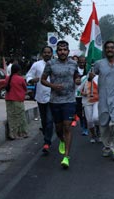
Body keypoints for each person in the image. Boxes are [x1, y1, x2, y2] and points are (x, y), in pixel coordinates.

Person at [41, 40, 81, 169]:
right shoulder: (50, 64)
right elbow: (42, 80)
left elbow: (76, 75)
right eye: (60, 50)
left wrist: (77, 79)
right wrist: (52, 85)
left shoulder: (73, 64)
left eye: (65, 50)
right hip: (55, 101)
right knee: (58, 129)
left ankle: (66, 157)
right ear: (56, 52)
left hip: (69, 100)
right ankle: (62, 140)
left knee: (67, 127)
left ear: (68, 51)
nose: (62, 52)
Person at [26, 46, 54, 153]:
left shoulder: (56, 64)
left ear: (52, 53)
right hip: (41, 96)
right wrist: (31, 80)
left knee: (50, 120)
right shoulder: (37, 65)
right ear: (42, 54)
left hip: (52, 97)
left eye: (49, 52)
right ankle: (46, 134)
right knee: (44, 120)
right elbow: (29, 75)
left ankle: (47, 142)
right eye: (45, 52)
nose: (47, 54)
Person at [5, 64, 28, 140]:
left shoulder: (8, 78)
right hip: (18, 100)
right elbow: (25, 88)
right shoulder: (20, 79)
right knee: (20, 117)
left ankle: (12, 134)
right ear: (18, 71)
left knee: (11, 117)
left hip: (8, 100)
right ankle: (23, 133)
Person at [78, 73, 100, 143]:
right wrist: (83, 93)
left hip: (97, 101)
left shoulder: (99, 77)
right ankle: (93, 135)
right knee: (90, 121)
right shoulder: (84, 78)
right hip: (87, 102)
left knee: (96, 118)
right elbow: (79, 89)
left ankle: (98, 131)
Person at [75, 55, 88, 135]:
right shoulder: (75, 71)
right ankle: (82, 122)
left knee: (86, 112)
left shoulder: (88, 70)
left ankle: (85, 128)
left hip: (86, 95)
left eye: (83, 62)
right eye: (80, 62)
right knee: (79, 112)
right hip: (76, 95)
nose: (82, 64)